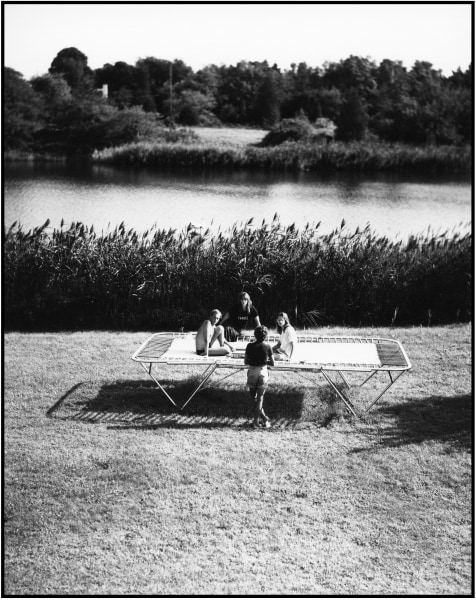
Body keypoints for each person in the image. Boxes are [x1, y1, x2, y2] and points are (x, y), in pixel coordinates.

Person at [245, 325, 275, 428]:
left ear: (255, 335)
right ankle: (257, 421)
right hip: (263, 371)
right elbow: (273, 363)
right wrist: (265, 361)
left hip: (252, 371)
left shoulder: (249, 346)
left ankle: (261, 420)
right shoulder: (268, 346)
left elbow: (245, 361)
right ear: (265, 336)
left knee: (253, 398)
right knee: (260, 399)